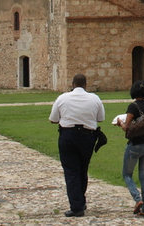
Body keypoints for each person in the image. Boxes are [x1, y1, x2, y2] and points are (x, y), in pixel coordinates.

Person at [49, 73, 105, 217]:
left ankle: (77, 206)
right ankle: (80, 200)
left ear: (72, 84)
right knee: (82, 168)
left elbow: (53, 119)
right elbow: (101, 118)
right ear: (86, 85)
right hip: (88, 136)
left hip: (68, 135)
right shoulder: (94, 98)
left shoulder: (62, 98)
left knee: (71, 171)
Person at [115, 80, 144, 218]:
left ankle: (138, 199)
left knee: (127, 174)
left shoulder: (133, 107)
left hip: (135, 145)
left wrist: (120, 123)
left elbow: (127, 127)